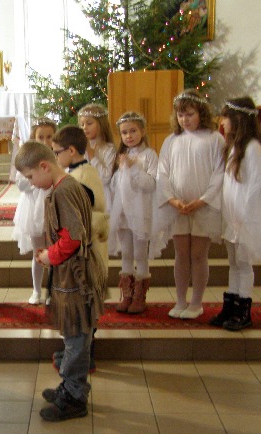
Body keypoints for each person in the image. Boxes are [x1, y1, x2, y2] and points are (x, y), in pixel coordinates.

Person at [15, 141, 105, 422]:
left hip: (75, 275)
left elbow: (73, 238)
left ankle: (74, 397)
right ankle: (70, 386)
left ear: (44, 166)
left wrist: (49, 256)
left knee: (76, 335)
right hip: (73, 271)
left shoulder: (64, 191)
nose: (31, 183)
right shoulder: (67, 185)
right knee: (74, 334)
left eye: (31, 176)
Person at [151, 90, 225, 319]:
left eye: (190, 114)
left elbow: (219, 173)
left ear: (201, 113)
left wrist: (203, 200)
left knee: (198, 255)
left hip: (204, 206)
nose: (185, 119)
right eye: (181, 115)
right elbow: (162, 172)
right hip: (178, 207)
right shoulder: (172, 140)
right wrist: (172, 199)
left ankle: (196, 303)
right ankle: (181, 300)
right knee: (181, 254)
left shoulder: (214, 139)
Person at [50, 125, 108, 373]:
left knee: (84, 309)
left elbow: (82, 217)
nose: (55, 157)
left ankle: (84, 359)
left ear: (71, 151)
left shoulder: (81, 178)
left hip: (86, 253)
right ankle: (75, 353)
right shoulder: (83, 172)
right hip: (86, 250)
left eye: (57, 152)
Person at [209, 97, 261, 331]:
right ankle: (230, 305)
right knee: (233, 263)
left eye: (226, 117)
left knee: (243, 264)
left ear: (239, 120)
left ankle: (243, 310)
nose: (222, 122)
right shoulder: (232, 148)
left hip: (244, 218)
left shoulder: (253, 149)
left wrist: (245, 218)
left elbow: (256, 186)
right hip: (232, 217)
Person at [108, 112, 158, 314]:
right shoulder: (120, 156)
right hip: (122, 213)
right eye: (124, 132)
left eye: (133, 131)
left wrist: (134, 168)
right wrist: (120, 170)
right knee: (127, 253)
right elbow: (115, 185)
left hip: (140, 212)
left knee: (139, 253)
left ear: (142, 131)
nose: (128, 136)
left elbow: (151, 183)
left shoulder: (149, 155)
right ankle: (127, 294)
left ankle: (139, 296)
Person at [12, 119, 56, 304]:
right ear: (34, 137)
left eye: (49, 137)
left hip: (53, 206)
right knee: (38, 251)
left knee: (54, 251)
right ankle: (36, 291)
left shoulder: (57, 156)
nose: (45, 141)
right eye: (41, 137)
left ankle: (52, 291)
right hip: (33, 207)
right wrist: (38, 181)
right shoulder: (27, 157)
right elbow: (21, 182)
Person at [78, 103, 116, 212]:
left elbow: (106, 177)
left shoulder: (109, 149)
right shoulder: (80, 150)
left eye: (89, 123)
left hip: (102, 199)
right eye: (82, 124)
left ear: (101, 124)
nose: (85, 127)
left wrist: (92, 156)